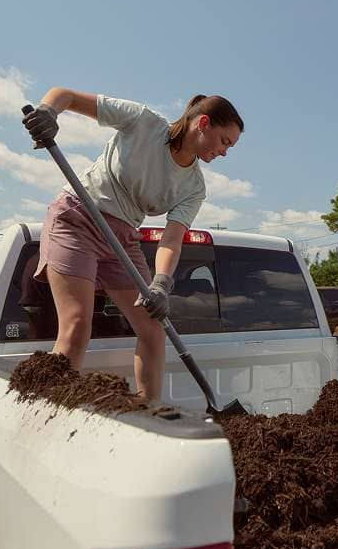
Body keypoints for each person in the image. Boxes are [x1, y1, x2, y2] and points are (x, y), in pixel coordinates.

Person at [23, 89, 243, 401]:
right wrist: (48, 112)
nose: (224, 152)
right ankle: (48, 411)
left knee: (154, 329)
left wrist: (161, 283)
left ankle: (149, 412)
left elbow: (171, 238)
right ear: (203, 123)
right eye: (225, 141)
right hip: (78, 218)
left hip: (122, 239)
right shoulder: (143, 122)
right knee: (76, 325)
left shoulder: (194, 186)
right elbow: (65, 96)